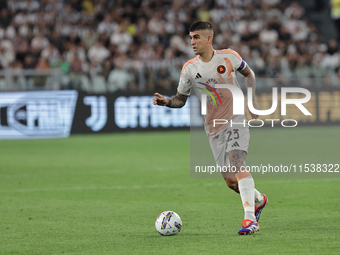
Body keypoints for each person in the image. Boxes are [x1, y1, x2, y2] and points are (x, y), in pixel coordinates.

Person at [153, 21, 268, 235]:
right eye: (190, 37)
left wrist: (251, 100)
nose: (192, 42)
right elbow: (181, 99)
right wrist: (167, 102)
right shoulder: (189, 68)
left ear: (208, 38)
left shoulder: (229, 56)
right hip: (213, 128)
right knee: (231, 182)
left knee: (237, 162)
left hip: (235, 118)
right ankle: (259, 200)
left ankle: (250, 220)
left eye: (196, 37)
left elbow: (249, 74)